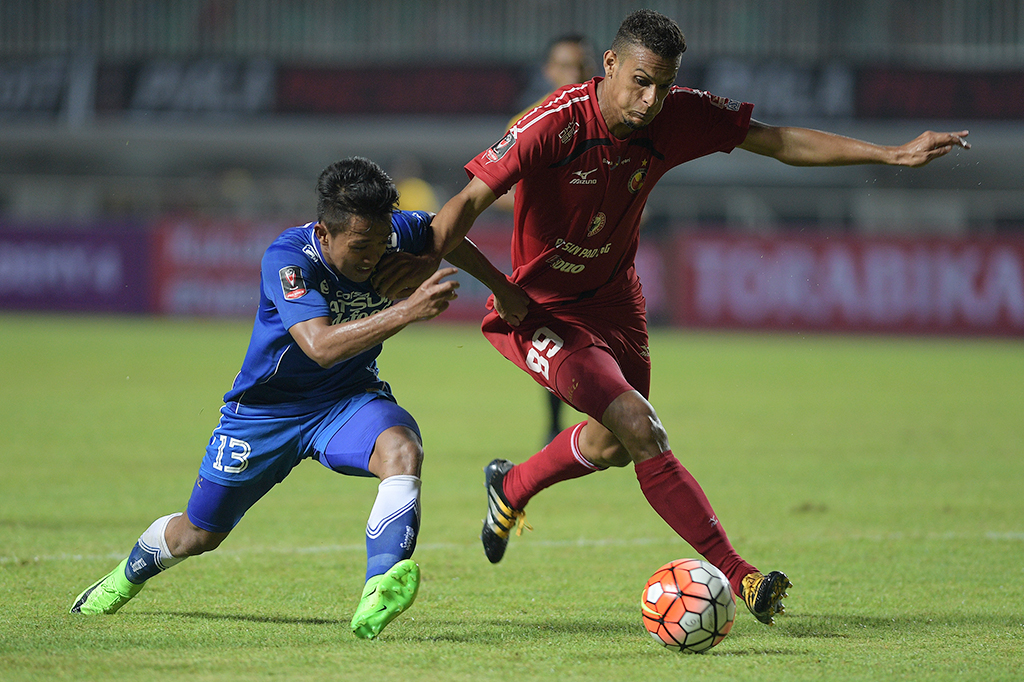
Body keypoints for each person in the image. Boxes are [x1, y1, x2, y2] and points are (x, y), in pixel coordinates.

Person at [371, 9, 970, 627]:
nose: (651, 99)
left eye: (662, 84)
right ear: (609, 66)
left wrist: (892, 155)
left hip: (615, 300)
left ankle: (513, 485)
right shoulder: (550, 124)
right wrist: (428, 268)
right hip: (540, 307)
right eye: (639, 81)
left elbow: (776, 140)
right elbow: (466, 202)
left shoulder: (678, 113)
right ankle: (743, 577)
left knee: (614, 443)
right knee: (639, 425)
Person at [68, 157, 505, 640]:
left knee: (402, 451)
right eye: (361, 246)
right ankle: (123, 579)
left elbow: (446, 234)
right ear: (324, 232)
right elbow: (319, 346)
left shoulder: (392, 235)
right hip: (264, 413)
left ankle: (379, 588)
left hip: (346, 397)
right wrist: (405, 311)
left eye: (381, 244)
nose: (374, 257)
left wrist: (503, 291)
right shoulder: (289, 258)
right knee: (199, 535)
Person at [500, 34, 598, 442]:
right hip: (545, 256)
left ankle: (597, 422)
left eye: (580, 66)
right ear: (548, 71)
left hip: (598, 251)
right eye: (565, 67)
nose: (573, 75)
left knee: (601, 337)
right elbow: (498, 191)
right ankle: (560, 427)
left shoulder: (609, 118)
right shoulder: (528, 121)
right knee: (556, 340)